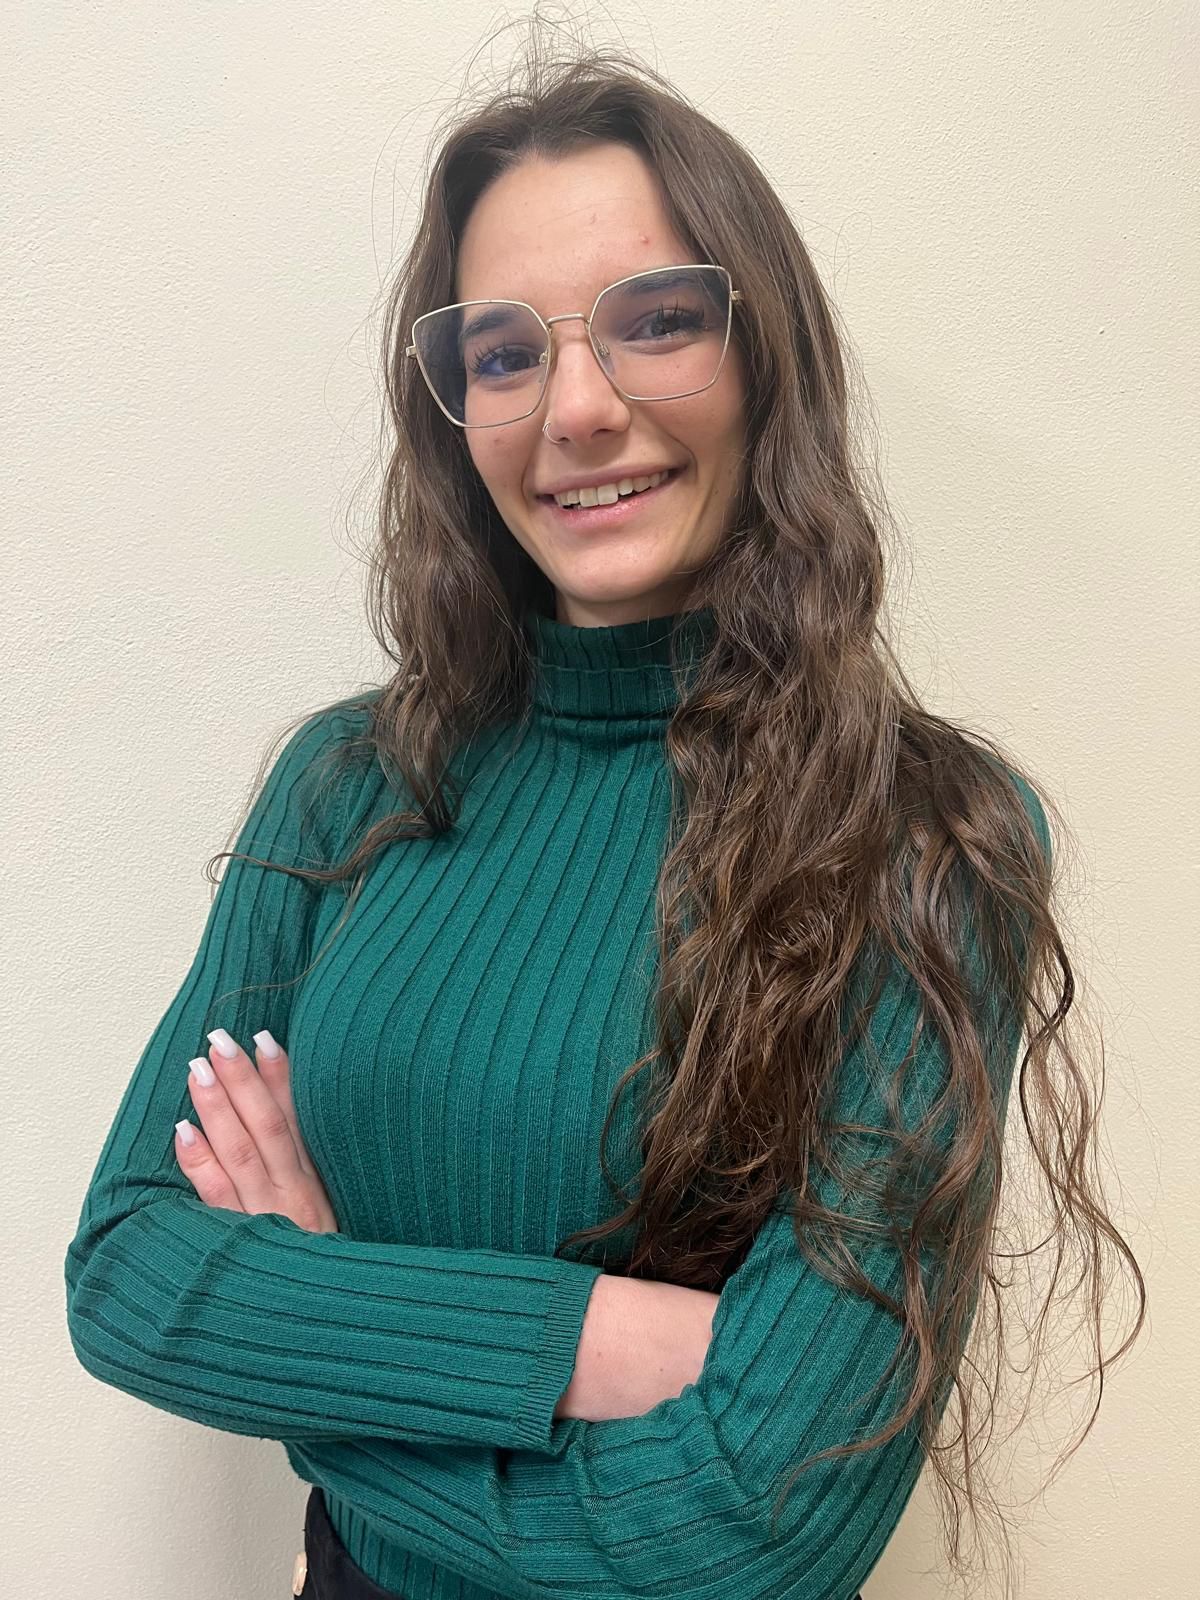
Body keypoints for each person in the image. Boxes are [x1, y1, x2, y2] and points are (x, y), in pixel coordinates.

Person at [63, 27, 1145, 1600]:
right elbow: (128, 1267)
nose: (579, 407)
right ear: (454, 406)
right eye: (504, 353)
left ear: (764, 358)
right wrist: (603, 1337)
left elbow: (757, 1530)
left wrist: (317, 1325)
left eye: (656, 323)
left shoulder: (928, 843)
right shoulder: (350, 782)